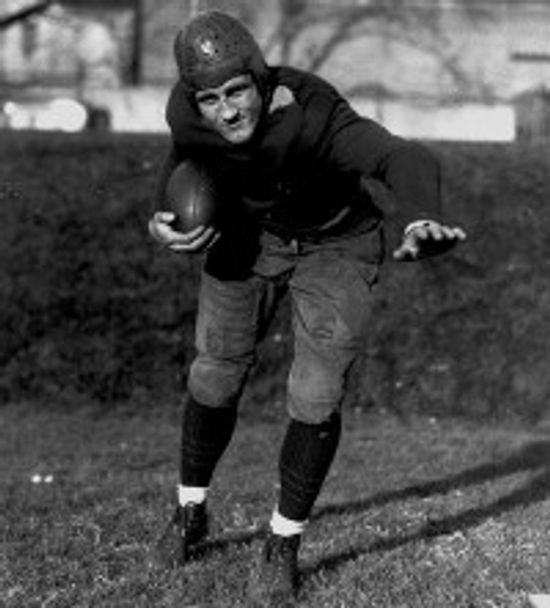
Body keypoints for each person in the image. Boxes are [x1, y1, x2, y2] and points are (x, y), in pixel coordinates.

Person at [148, 10, 466, 605]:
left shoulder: (313, 111)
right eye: (212, 98)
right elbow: (184, 158)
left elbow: (401, 156)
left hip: (335, 241)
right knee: (214, 373)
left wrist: (422, 211)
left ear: (263, 83)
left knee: (316, 394)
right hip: (250, 234)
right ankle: (190, 511)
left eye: (238, 91)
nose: (228, 111)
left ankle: (282, 543)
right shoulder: (188, 112)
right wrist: (162, 217)